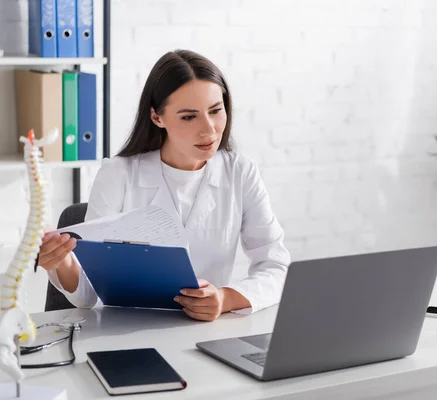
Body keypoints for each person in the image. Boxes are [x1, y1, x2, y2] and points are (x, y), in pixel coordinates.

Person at [38, 49, 291, 322]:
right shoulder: (118, 174)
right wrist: (62, 261)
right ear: (157, 117)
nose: (209, 130)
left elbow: (276, 265)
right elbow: (88, 296)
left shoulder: (240, 173)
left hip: (204, 331)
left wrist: (225, 298)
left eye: (216, 111)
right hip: (122, 333)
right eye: (188, 117)